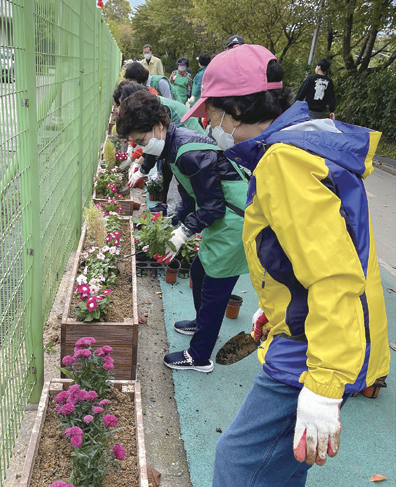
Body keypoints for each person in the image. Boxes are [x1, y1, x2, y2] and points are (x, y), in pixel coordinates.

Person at [180, 43, 390, 485]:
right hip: (316, 329)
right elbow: (310, 254)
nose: (208, 124)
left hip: (315, 347)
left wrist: (324, 382)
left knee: (238, 465)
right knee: (278, 470)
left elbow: (333, 273)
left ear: (236, 108)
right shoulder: (302, 143)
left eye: (211, 113)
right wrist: (276, 308)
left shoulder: (283, 162)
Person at [116, 89, 249, 373]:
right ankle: (202, 325)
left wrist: (183, 233)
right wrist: (174, 224)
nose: (142, 146)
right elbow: (191, 196)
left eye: (141, 140)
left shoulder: (190, 152)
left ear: (160, 126)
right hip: (224, 218)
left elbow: (212, 207)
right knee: (200, 272)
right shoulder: (173, 148)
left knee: (215, 290)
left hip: (236, 221)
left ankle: (199, 357)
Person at [113, 81, 205, 214]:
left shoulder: (158, 109)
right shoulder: (151, 109)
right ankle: (172, 211)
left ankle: (176, 215)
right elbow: (149, 143)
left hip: (192, 145)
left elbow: (152, 142)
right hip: (180, 146)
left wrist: (142, 169)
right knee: (173, 177)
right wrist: (136, 160)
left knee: (183, 187)